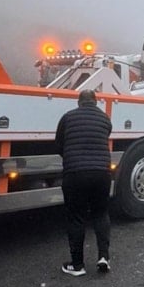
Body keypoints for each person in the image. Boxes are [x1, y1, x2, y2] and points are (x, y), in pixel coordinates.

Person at [55, 88, 113, 276]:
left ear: (79, 102)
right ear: (95, 102)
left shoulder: (67, 117)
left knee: (76, 217)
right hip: (102, 174)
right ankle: (103, 257)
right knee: (101, 213)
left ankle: (77, 265)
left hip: (75, 174)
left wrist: (71, 157)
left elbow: (59, 143)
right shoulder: (105, 119)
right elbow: (105, 136)